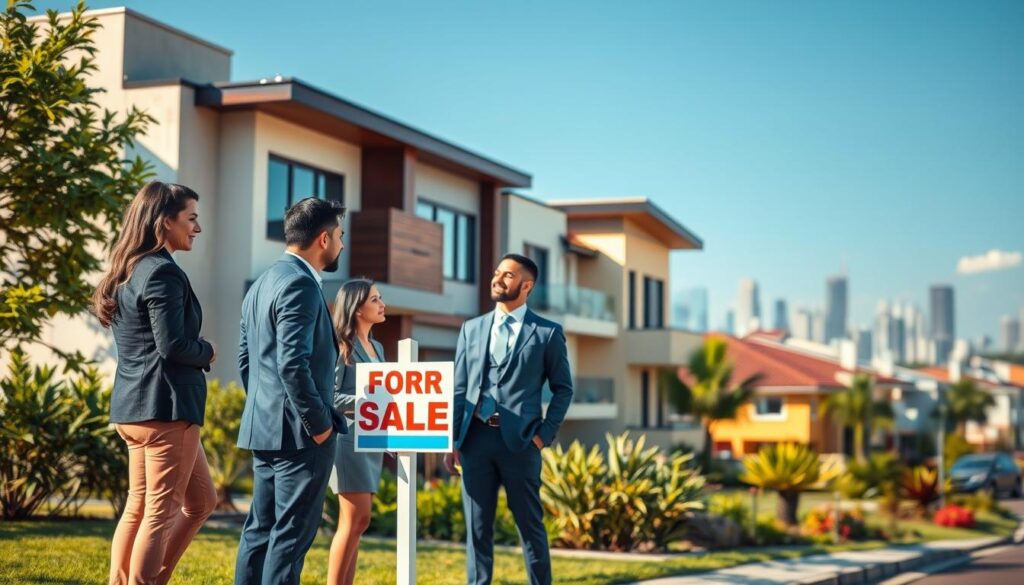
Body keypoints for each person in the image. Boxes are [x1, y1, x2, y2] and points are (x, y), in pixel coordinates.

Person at [93, 180, 219, 585]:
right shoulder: (162, 272)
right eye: (191, 219)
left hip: (136, 409)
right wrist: (208, 351)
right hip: (165, 410)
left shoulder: (126, 271)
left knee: (197, 502)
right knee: (158, 512)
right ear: (165, 221)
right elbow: (172, 346)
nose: (197, 228)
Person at [234, 197, 347, 585]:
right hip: (300, 436)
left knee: (260, 531)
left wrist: (265, 409)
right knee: (290, 536)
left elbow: (246, 359)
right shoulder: (300, 283)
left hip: (265, 429)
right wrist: (318, 424)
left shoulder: (262, 283)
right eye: (340, 236)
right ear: (323, 239)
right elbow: (291, 363)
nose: (342, 245)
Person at [444, 253, 574, 585]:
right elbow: (459, 389)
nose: (498, 279)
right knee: (477, 530)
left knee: (530, 527)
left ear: (526, 286)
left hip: (521, 443)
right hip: (474, 441)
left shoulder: (547, 333)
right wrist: (452, 440)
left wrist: (543, 435)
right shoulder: (471, 329)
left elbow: (563, 389)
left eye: (508, 275)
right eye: (497, 272)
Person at [326, 278, 387, 585]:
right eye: (375, 299)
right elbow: (330, 397)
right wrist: (366, 403)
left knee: (359, 523)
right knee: (354, 520)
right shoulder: (341, 345)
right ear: (358, 309)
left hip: (371, 441)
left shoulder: (377, 346)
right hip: (347, 440)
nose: (382, 304)